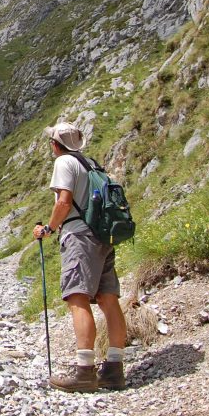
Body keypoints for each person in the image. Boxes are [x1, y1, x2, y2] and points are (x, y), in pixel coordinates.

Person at [32, 122, 128, 392]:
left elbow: (64, 201)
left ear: (55, 144)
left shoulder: (64, 163)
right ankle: (114, 369)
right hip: (102, 236)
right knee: (108, 299)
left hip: (79, 237)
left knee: (77, 298)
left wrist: (48, 229)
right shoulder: (91, 164)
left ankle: (85, 371)